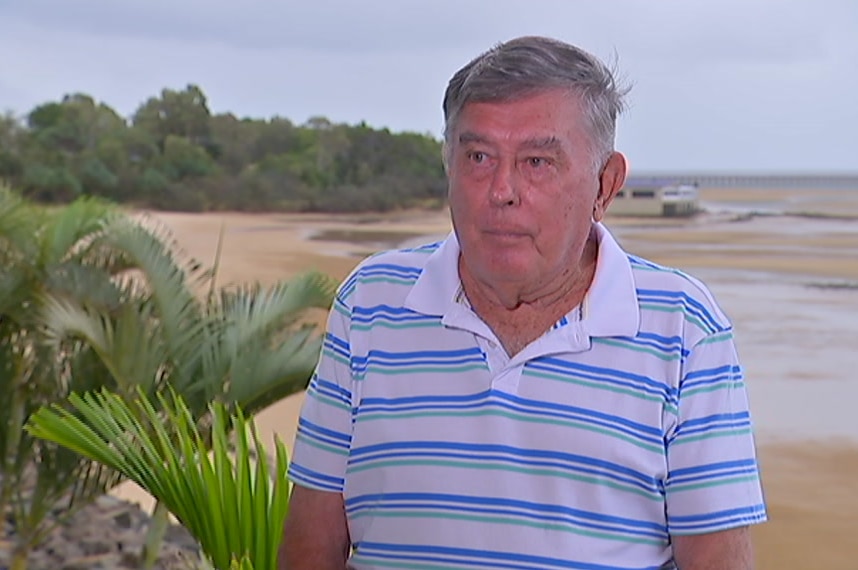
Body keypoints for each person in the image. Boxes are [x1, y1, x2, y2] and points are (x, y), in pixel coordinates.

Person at [279, 35, 767, 570]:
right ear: (449, 167)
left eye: (537, 161)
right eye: (479, 156)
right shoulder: (371, 303)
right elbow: (312, 541)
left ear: (605, 186)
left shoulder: (684, 329)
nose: (501, 190)